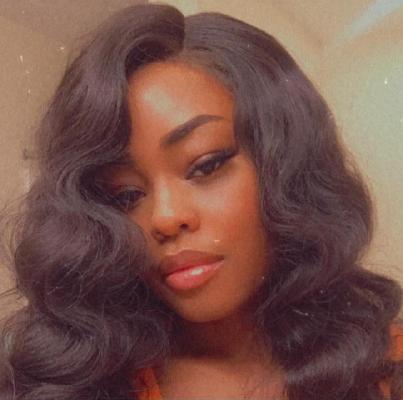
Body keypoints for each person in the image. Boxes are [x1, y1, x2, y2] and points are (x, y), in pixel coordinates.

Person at [0, 3, 402, 399]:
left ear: (285, 165)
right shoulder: (74, 383)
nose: (165, 218)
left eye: (206, 166)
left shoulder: (386, 364)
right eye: (126, 195)